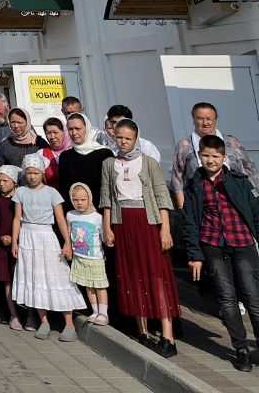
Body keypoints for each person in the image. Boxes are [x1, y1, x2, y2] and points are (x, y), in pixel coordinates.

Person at [99, 118, 179, 356]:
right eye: (119, 137)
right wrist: (107, 227)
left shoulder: (149, 163)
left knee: (156, 275)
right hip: (122, 224)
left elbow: (162, 197)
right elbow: (106, 198)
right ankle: (142, 331)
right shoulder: (108, 163)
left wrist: (165, 229)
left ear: (136, 139)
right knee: (132, 275)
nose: (123, 142)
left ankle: (168, 336)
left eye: (128, 138)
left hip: (148, 222)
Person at [183, 133, 259, 372]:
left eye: (215, 156)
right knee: (227, 299)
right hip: (213, 245)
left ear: (224, 157)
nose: (210, 160)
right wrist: (195, 255)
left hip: (242, 242)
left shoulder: (239, 180)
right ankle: (241, 349)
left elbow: (255, 212)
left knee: (253, 297)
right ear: (199, 156)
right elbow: (190, 222)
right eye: (205, 155)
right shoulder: (195, 185)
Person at [11, 154, 82, 341]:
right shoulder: (21, 192)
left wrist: (67, 242)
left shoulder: (52, 192)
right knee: (35, 278)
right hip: (27, 237)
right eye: (29, 173)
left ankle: (69, 323)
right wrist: (14, 241)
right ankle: (44, 321)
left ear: (42, 173)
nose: (32, 176)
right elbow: (17, 218)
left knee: (57, 277)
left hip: (46, 237)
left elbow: (60, 219)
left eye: (35, 172)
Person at [170, 101, 259, 208]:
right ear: (193, 120)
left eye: (209, 118)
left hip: (238, 198)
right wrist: (183, 208)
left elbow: (250, 170)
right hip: (202, 202)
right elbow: (177, 179)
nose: (205, 122)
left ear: (216, 120)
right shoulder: (185, 145)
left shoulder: (231, 142)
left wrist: (255, 198)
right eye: (200, 118)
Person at [66, 182, 109, 326]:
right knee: (88, 285)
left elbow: (104, 236)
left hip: (95, 257)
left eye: (82, 200)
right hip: (80, 257)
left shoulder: (97, 217)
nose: (79, 203)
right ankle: (95, 311)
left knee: (99, 286)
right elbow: (67, 233)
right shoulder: (70, 215)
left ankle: (104, 313)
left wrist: (110, 240)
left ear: (89, 199)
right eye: (76, 200)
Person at [0, 165, 20, 328]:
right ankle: (12, 313)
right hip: (3, 247)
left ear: (14, 181)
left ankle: (26, 313)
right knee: (7, 281)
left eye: (5, 180)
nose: (1, 183)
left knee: (20, 280)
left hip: (19, 246)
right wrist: (0, 237)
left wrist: (16, 238)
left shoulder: (19, 200)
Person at [57, 114, 113, 203]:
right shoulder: (65, 156)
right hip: (73, 212)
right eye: (70, 129)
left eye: (78, 128)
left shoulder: (104, 154)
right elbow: (63, 189)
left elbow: (109, 188)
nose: (74, 133)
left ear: (87, 128)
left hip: (99, 211)